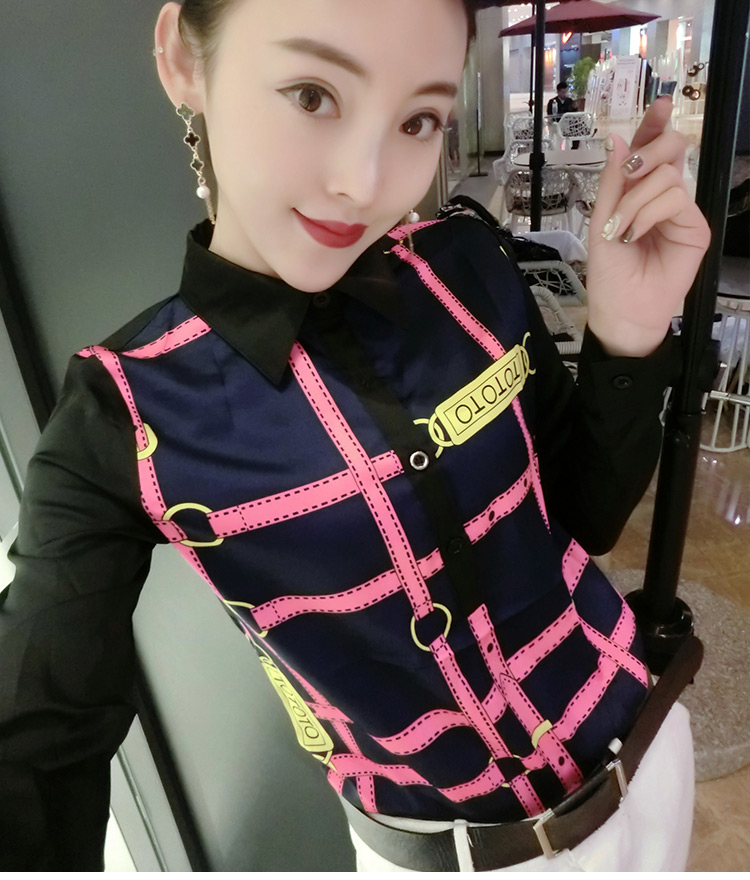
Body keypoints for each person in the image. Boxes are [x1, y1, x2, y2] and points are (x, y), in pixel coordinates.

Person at [0, 0, 710, 872]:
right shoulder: (125, 410)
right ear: (185, 59)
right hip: (452, 856)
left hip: (651, 755)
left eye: (418, 120)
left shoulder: (470, 266)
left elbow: (586, 515)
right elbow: (41, 739)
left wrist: (628, 336)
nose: (366, 183)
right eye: (312, 94)